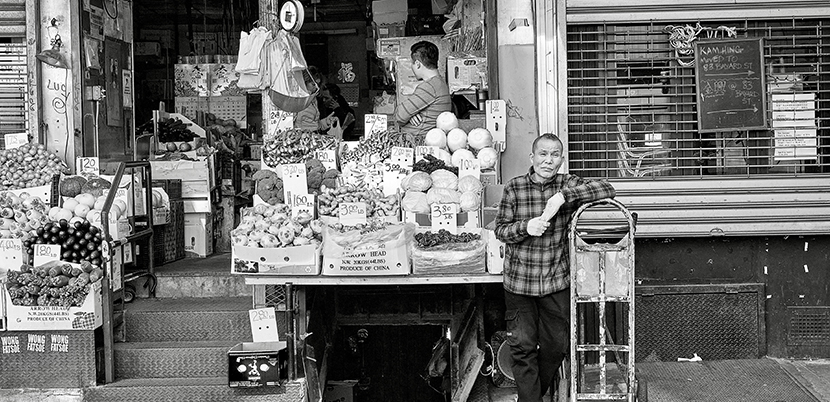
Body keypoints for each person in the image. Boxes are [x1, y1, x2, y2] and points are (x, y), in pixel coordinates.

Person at [494, 133, 616, 402]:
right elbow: (500, 231)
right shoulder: (515, 187)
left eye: (554, 155)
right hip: (519, 283)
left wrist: (563, 197)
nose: (548, 161)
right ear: (532, 157)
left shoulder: (567, 184)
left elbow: (607, 188)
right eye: (542, 154)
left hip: (555, 281)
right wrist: (526, 227)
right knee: (522, 348)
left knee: (556, 347)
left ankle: (533, 395)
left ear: (561, 159)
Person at [394, 41, 451, 139]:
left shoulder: (430, 87)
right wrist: (411, 114)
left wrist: (409, 114)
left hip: (418, 141)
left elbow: (399, 116)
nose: (412, 67)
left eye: (412, 63)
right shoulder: (439, 83)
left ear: (417, 64)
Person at [294, 66, 323, 131]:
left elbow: (315, 123)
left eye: (318, 84)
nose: (316, 87)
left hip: (313, 135)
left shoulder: (314, 99)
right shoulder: (298, 99)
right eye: (313, 84)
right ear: (305, 82)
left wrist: (326, 122)